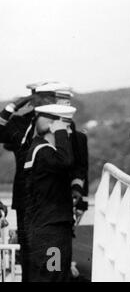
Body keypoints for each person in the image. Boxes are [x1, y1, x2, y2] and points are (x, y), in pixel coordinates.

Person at [0, 81, 88, 281]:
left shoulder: (56, 133)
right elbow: (66, 160)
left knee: (49, 265)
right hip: (36, 208)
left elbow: (77, 164)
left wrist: (78, 192)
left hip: (51, 206)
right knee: (41, 261)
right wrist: (13, 106)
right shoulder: (24, 126)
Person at [24, 103, 77, 281]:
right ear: (52, 127)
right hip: (50, 232)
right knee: (52, 277)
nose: (69, 133)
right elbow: (66, 161)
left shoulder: (40, 149)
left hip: (48, 228)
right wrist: (60, 132)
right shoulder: (44, 152)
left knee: (53, 276)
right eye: (66, 127)